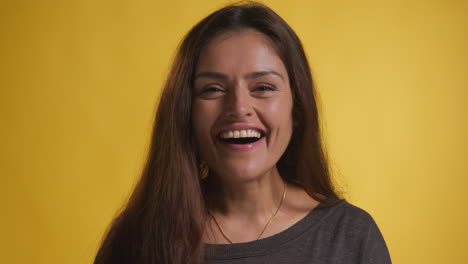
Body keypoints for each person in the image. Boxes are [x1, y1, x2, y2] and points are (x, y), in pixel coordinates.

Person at [94, 2, 391, 264]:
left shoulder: (351, 238)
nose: (238, 108)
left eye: (263, 87)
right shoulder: (134, 240)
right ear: (186, 113)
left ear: (297, 109)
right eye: (213, 89)